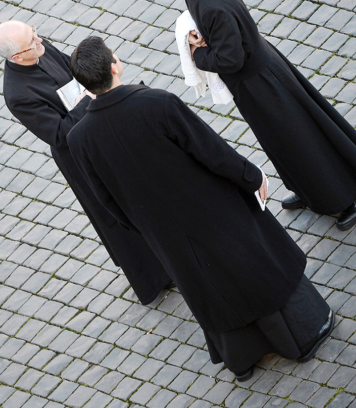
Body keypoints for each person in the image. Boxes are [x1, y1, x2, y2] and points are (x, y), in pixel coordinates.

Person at [67, 36, 334, 380]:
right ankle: (298, 337)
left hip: (163, 230)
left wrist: (146, 228)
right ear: (114, 67)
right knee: (253, 268)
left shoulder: (79, 139)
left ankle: (243, 357)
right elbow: (212, 151)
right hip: (212, 208)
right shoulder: (157, 103)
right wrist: (252, 177)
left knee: (209, 288)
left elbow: (106, 201)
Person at [147, 0, 356, 231]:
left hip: (259, 82)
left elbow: (230, 60)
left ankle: (351, 195)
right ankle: (312, 190)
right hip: (258, 73)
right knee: (282, 143)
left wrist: (198, 53)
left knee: (300, 140)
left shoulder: (211, 5)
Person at [0, 21, 171, 305]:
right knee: (114, 214)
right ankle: (153, 276)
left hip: (103, 126)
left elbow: (76, 72)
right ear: (17, 57)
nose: (41, 41)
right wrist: (87, 100)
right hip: (81, 156)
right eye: (33, 42)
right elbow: (59, 134)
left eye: (35, 33)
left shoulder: (39, 46)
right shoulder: (17, 95)